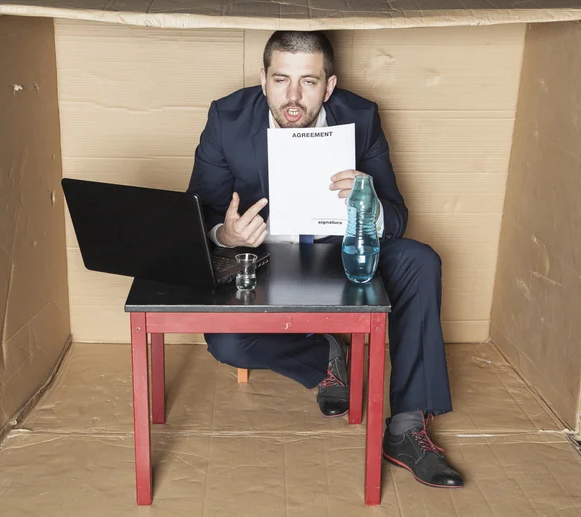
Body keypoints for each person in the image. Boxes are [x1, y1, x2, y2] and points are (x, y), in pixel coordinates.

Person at [187, 30, 464, 489]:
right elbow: (197, 211)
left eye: (309, 82)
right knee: (226, 343)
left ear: (329, 86)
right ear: (263, 79)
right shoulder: (227, 117)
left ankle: (407, 427)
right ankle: (325, 356)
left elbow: (398, 216)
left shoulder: (361, 116)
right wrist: (226, 232)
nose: (293, 97)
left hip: (345, 253)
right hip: (267, 257)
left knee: (420, 259)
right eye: (281, 80)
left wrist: (368, 203)